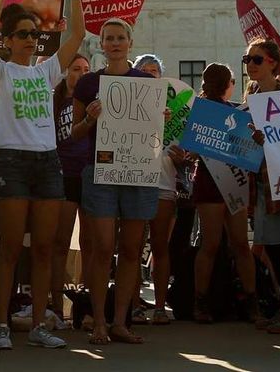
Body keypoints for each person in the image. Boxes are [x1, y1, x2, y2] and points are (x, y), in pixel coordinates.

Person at [0, 0, 84, 350]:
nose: (29, 40)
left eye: (34, 34)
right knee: (8, 249)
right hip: (12, 163)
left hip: (47, 163)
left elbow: (77, 35)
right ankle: (1, 324)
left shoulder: (46, 72)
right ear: (8, 39)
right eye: (21, 34)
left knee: (42, 248)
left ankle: (39, 325)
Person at [69, 18, 159, 345]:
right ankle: (98, 322)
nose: (116, 43)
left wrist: (158, 121)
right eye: (110, 38)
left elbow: (157, 134)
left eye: (121, 38)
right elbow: (74, 132)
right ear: (102, 45)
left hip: (137, 172)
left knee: (132, 248)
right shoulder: (88, 83)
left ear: (130, 43)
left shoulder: (146, 83)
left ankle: (121, 321)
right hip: (101, 171)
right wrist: (91, 118)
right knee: (103, 247)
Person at [185, 63, 261, 325]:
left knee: (210, 245)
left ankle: (201, 304)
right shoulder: (233, 113)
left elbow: (190, 154)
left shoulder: (202, 111)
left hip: (212, 184)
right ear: (229, 84)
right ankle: (251, 304)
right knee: (240, 244)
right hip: (225, 183)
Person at [243, 38, 280, 335]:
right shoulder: (250, 98)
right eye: (247, 60)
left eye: (256, 59)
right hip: (262, 183)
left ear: (272, 63)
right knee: (274, 248)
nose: (250, 65)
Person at [132, 52, 181, 326]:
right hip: (135, 182)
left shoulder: (176, 111)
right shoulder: (128, 106)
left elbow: (185, 149)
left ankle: (160, 307)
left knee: (161, 247)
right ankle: (135, 304)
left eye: (155, 70)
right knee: (134, 247)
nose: (150, 74)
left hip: (163, 184)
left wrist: (183, 156)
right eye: (145, 70)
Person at [48, 52, 93, 331]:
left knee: (90, 243)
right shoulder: (54, 100)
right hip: (63, 174)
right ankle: (54, 304)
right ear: (65, 71)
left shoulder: (93, 102)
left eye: (86, 69)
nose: (81, 73)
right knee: (60, 242)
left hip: (89, 173)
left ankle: (87, 306)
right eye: (76, 68)